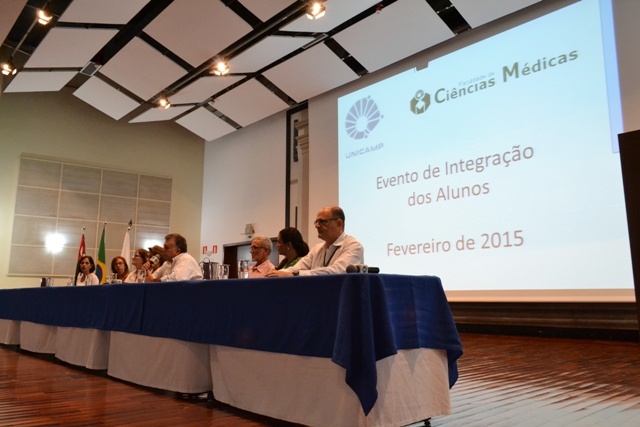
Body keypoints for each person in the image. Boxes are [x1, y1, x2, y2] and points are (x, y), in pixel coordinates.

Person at [267, 206, 364, 277]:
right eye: (316, 222)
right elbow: (297, 268)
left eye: (322, 222)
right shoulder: (317, 249)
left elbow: (336, 271)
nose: (317, 226)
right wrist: (277, 273)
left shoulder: (353, 246)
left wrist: (293, 274)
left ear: (338, 223)